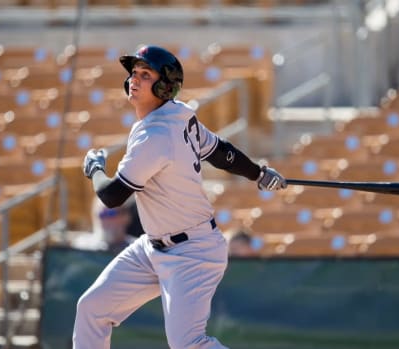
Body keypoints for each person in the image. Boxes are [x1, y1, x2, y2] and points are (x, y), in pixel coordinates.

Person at [73, 44, 287, 349]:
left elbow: (111, 196)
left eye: (145, 74)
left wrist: (95, 168)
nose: (134, 79)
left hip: (193, 253)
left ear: (164, 86)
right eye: (133, 73)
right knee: (92, 308)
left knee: (188, 343)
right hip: (153, 246)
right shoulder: (178, 116)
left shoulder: (156, 135)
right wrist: (258, 173)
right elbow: (220, 152)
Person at [71, 196, 137, 255]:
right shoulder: (82, 246)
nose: (105, 220)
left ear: (126, 217)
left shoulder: (136, 249)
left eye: (111, 213)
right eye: (101, 214)